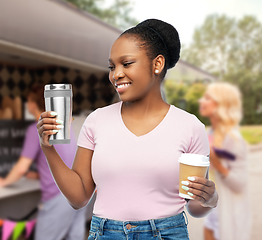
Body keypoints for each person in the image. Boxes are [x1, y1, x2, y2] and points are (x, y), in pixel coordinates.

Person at [37, 19, 218, 240]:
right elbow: (79, 198)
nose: (116, 74)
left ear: (157, 64)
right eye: (112, 67)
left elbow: (194, 206)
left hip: (167, 233)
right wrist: (47, 148)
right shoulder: (96, 121)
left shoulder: (189, 127)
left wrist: (210, 199)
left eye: (127, 63)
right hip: (105, 233)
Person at [0, 84, 86, 240]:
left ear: (32, 104)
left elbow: (21, 168)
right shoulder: (64, 127)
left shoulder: (37, 129)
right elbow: (66, 159)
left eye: (28, 101)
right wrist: (38, 174)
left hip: (59, 198)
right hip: (79, 192)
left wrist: (3, 182)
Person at [199, 82, 251, 240]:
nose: (201, 101)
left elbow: (240, 183)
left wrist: (218, 163)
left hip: (229, 214)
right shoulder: (210, 132)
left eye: (207, 98)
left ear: (221, 104)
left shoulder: (233, 138)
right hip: (213, 210)